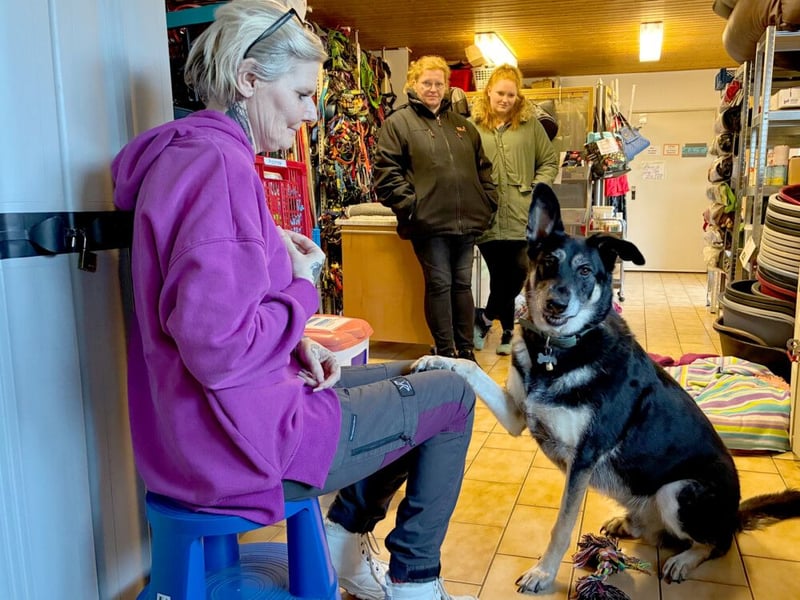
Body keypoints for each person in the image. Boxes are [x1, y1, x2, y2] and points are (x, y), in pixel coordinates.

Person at [111, 2, 478, 599]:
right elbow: (219, 348)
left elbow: (209, 322)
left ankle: (346, 544)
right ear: (248, 79)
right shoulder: (218, 167)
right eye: (303, 94)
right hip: (238, 445)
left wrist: (293, 344)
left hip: (202, 429)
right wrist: (303, 285)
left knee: (422, 373)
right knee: (456, 395)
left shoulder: (188, 157)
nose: (311, 114)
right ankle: (415, 580)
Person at [374, 56, 497, 362]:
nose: (432, 89)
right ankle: (445, 350)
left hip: (466, 223)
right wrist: (412, 206)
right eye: (426, 83)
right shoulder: (398, 123)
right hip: (428, 224)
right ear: (413, 84)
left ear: (446, 87)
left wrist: (488, 201)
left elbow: (483, 168)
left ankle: (465, 352)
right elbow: (386, 173)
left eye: (438, 83)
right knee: (440, 284)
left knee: (462, 285)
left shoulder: (462, 126)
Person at [469, 64, 559, 355]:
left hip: (522, 214)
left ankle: (484, 319)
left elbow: (549, 161)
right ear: (489, 92)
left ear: (518, 96)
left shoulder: (529, 125)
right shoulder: (472, 127)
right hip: (488, 215)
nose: (505, 99)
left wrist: (537, 188)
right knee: (499, 276)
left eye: (511, 94)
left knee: (519, 272)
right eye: (500, 93)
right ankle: (508, 331)